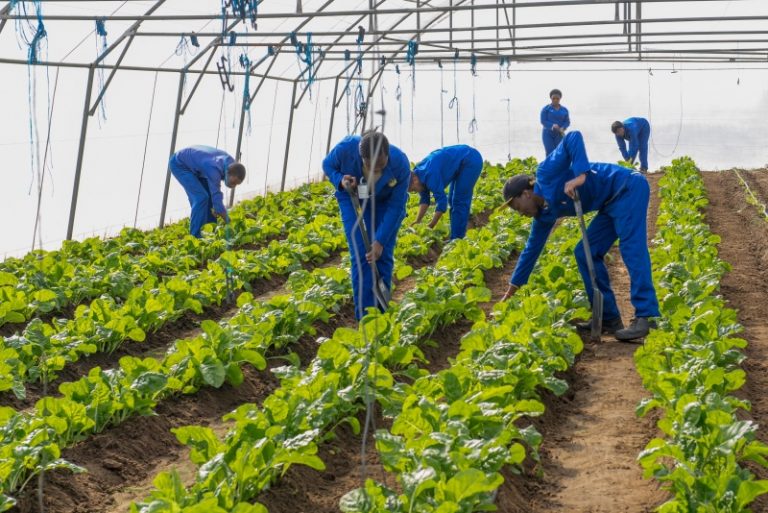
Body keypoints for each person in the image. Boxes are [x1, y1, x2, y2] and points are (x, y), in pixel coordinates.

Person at [499, 131, 659, 341]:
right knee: (585, 253)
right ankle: (607, 318)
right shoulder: (543, 215)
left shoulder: (546, 173)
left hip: (627, 188)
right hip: (609, 203)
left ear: (526, 194)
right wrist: (509, 295)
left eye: (518, 207)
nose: (521, 213)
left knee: (631, 249)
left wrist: (581, 175)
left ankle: (646, 316)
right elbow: (531, 252)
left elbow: (573, 137)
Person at [323, 132, 410, 320]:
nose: (376, 171)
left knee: (382, 254)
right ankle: (365, 318)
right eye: (371, 166)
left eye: (381, 166)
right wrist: (340, 180)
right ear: (362, 158)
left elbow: (396, 207)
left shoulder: (400, 163)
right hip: (353, 198)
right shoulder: (347, 148)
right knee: (362, 255)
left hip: (385, 203)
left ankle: (381, 311)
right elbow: (327, 165)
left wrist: (379, 241)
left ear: (387, 155)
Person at [408, 145, 483, 239]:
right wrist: (417, 220)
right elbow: (424, 199)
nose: (416, 191)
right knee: (452, 200)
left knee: (459, 202)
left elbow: (442, 202)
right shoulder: (418, 174)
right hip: (460, 162)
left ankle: (457, 239)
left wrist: (431, 225)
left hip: (470, 160)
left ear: (414, 180)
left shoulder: (430, 175)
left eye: (414, 190)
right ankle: (455, 237)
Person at [169, 145, 245, 237]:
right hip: (180, 164)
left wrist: (219, 208)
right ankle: (195, 236)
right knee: (201, 198)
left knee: (209, 197)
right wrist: (228, 220)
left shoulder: (232, 165)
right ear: (228, 173)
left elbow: (215, 196)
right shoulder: (214, 169)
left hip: (198, 165)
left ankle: (211, 231)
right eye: (233, 182)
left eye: (237, 184)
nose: (233, 186)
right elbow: (217, 197)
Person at [540, 88, 570, 156]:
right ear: (551, 98)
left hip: (559, 134)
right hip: (548, 134)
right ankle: (549, 166)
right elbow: (543, 121)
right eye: (554, 98)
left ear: (560, 99)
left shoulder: (564, 110)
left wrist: (563, 127)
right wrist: (552, 125)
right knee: (550, 152)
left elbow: (567, 121)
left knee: (559, 152)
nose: (555, 100)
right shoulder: (546, 109)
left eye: (557, 98)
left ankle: (559, 166)